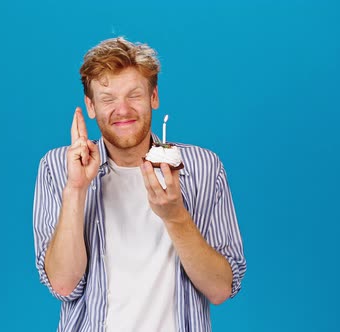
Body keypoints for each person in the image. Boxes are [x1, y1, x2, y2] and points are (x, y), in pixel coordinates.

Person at [33, 37, 246, 332]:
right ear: (91, 106)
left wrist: (175, 216)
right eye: (108, 99)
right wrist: (76, 189)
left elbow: (221, 289)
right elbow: (63, 284)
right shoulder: (58, 168)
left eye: (134, 95)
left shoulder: (203, 167)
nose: (122, 110)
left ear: (154, 97)